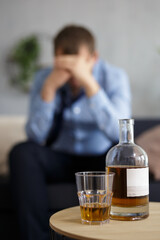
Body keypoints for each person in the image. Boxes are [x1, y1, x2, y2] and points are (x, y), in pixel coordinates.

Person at [9, 25, 131, 240]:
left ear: (94, 58)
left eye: (77, 65)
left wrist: (89, 84)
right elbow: (35, 137)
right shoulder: (44, 78)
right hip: (59, 157)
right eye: (65, 65)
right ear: (55, 58)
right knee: (22, 152)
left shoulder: (115, 77)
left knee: (127, 160)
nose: (71, 73)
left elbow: (119, 134)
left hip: (100, 160)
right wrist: (48, 90)